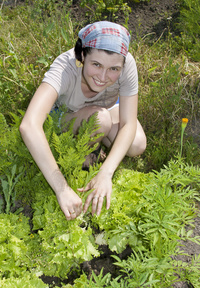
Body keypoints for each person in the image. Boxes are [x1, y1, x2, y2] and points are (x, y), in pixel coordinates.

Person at [19, 21, 147, 221]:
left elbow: (129, 123)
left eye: (113, 69)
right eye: (96, 65)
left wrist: (106, 173)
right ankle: (84, 159)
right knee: (100, 120)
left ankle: (100, 153)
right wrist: (62, 188)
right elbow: (29, 125)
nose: (103, 77)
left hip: (105, 108)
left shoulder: (126, 63)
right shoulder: (65, 67)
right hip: (67, 115)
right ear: (82, 56)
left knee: (137, 144)